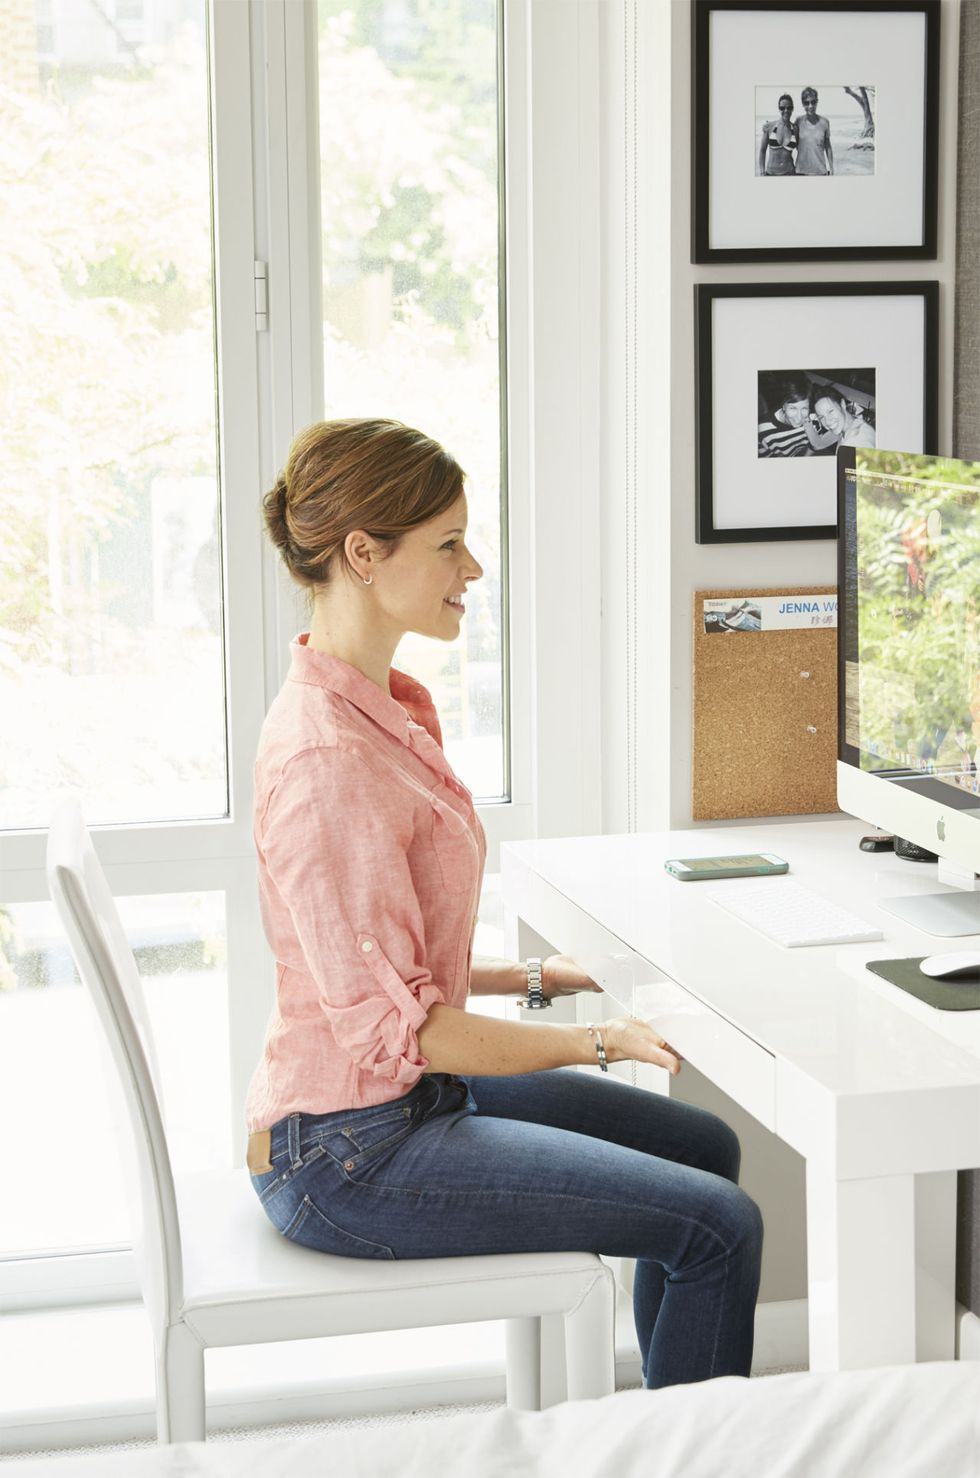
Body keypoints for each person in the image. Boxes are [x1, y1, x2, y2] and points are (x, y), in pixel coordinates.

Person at [246, 416, 763, 1390]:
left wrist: (546, 976)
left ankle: (670, 1432)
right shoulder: (324, 758)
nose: (471, 566)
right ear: (363, 553)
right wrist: (592, 1037)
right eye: (446, 542)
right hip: (348, 1154)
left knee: (708, 1146)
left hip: (397, 1104)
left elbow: (383, 974)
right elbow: (409, 1033)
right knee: (715, 1224)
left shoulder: (377, 704)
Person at [758, 379, 840, 457]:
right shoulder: (763, 431)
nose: (799, 417)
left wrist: (805, 457)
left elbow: (813, 444)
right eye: (793, 408)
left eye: (804, 408)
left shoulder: (814, 418)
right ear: (783, 406)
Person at [795, 88, 834, 175]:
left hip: (820, 171)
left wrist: (831, 167)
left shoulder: (825, 122)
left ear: (817, 102)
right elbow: (792, 141)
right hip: (801, 172)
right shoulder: (798, 121)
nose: (810, 106)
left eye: (813, 102)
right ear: (802, 104)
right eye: (806, 103)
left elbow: (828, 147)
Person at [757, 94, 798, 176]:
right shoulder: (769, 127)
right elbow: (762, 151)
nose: (786, 110)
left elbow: (801, 151)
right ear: (779, 109)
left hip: (790, 173)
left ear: (792, 109)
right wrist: (762, 171)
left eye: (789, 108)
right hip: (771, 174)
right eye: (782, 108)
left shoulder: (795, 129)